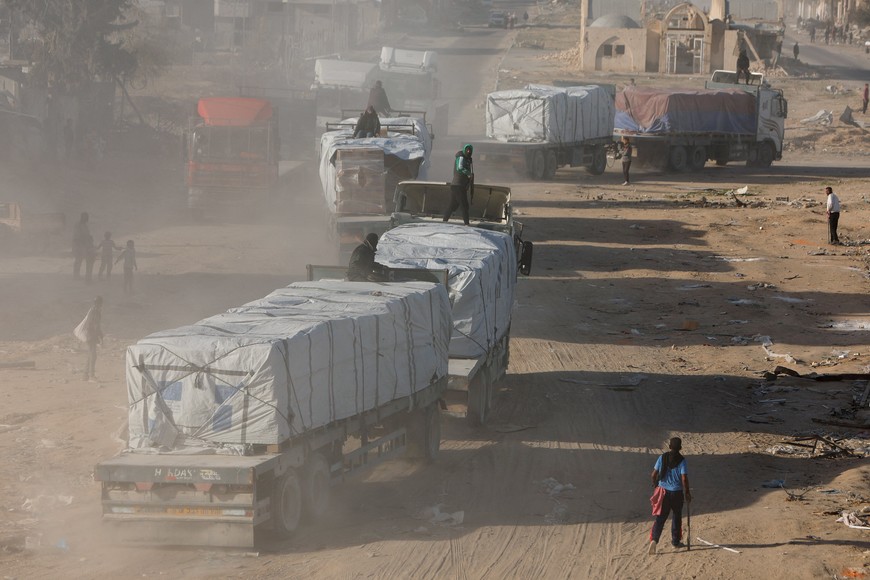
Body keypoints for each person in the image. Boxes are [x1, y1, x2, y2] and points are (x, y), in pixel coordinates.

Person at [649, 437, 691, 554]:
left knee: (660, 518)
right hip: (677, 493)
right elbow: (684, 478)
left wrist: (656, 484)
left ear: (669, 447)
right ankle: (675, 542)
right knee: (676, 517)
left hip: (663, 492)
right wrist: (687, 492)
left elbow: (653, 475)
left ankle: (654, 540)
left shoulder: (662, 458)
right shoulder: (682, 461)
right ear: (680, 448)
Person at [443, 144, 473, 226]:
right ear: (464, 150)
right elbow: (460, 168)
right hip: (458, 186)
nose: (468, 151)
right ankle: (466, 224)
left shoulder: (467, 159)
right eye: (467, 150)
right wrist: (468, 173)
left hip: (458, 186)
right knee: (464, 205)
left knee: (452, 205)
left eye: (470, 150)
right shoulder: (461, 157)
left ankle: (444, 221)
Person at [74, 296, 103, 381]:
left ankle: (85, 375)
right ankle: (91, 376)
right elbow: (95, 325)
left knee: (90, 354)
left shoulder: (92, 310)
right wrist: (100, 335)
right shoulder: (96, 312)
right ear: (100, 303)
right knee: (93, 355)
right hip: (91, 335)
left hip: (89, 334)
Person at [72, 212, 94, 281]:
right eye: (85, 217)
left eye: (87, 217)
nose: (87, 218)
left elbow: (86, 234)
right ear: (82, 217)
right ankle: (76, 275)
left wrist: (90, 238)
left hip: (85, 245)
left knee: (85, 259)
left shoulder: (85, 225)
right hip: (78, 244)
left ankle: (86, 276)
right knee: (78, 260)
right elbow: (77, 236)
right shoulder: (77, 224)